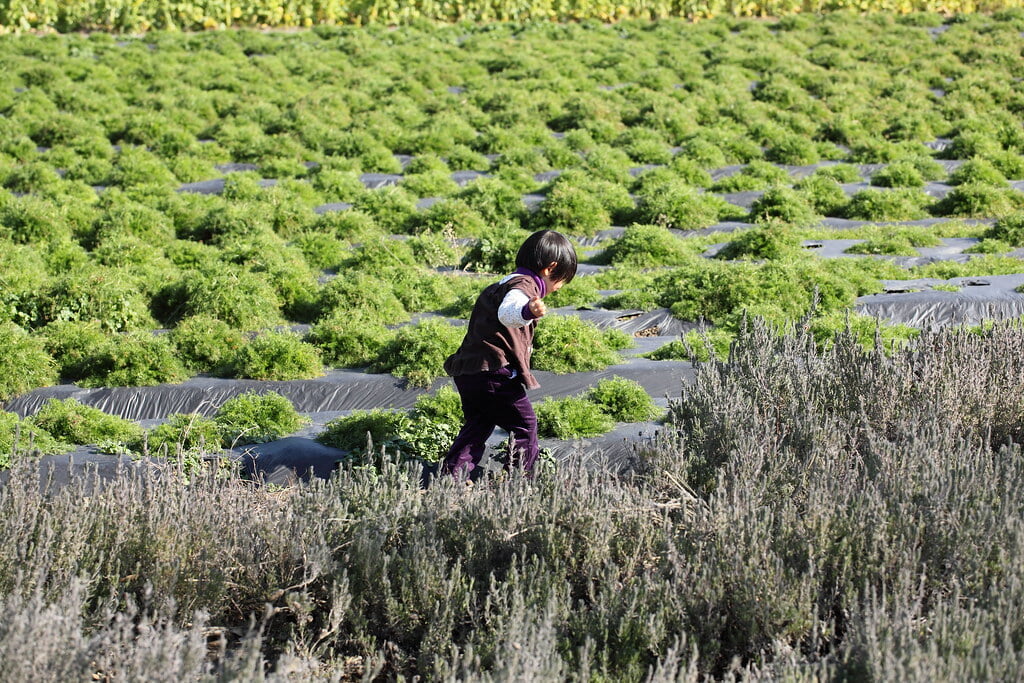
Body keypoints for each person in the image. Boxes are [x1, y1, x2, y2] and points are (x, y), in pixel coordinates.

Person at [439, 229, 577, 481]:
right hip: (494, 374)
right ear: (550, 268)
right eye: (560, 281)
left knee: (478, 424)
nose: (557, 289)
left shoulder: (501, 284)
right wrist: (527, 310)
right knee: (525, 425)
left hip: (470, 371)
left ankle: (451, 479)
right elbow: (508, 312)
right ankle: (519, 482)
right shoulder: (524, 287)